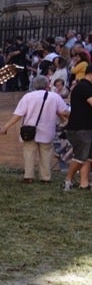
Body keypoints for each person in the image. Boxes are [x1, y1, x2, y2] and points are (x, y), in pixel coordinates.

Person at [0, 75, 70, 184]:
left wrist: (5, 127)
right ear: (47, 85)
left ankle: (28, 176)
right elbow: (65, 112)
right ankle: (45, 177)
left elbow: (17, 115)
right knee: (46, 154)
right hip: (47, 130)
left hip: (29, 131)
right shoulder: (54, 97)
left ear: (34, 85)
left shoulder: (28, 97)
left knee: (29, 153)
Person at [62, 61, 92, 190]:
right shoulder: (84, 87)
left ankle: (84, 183)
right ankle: (68, 179)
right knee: (80, 157)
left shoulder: (85, 86)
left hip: (86, 127)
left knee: (88, 157)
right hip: (80, 128)